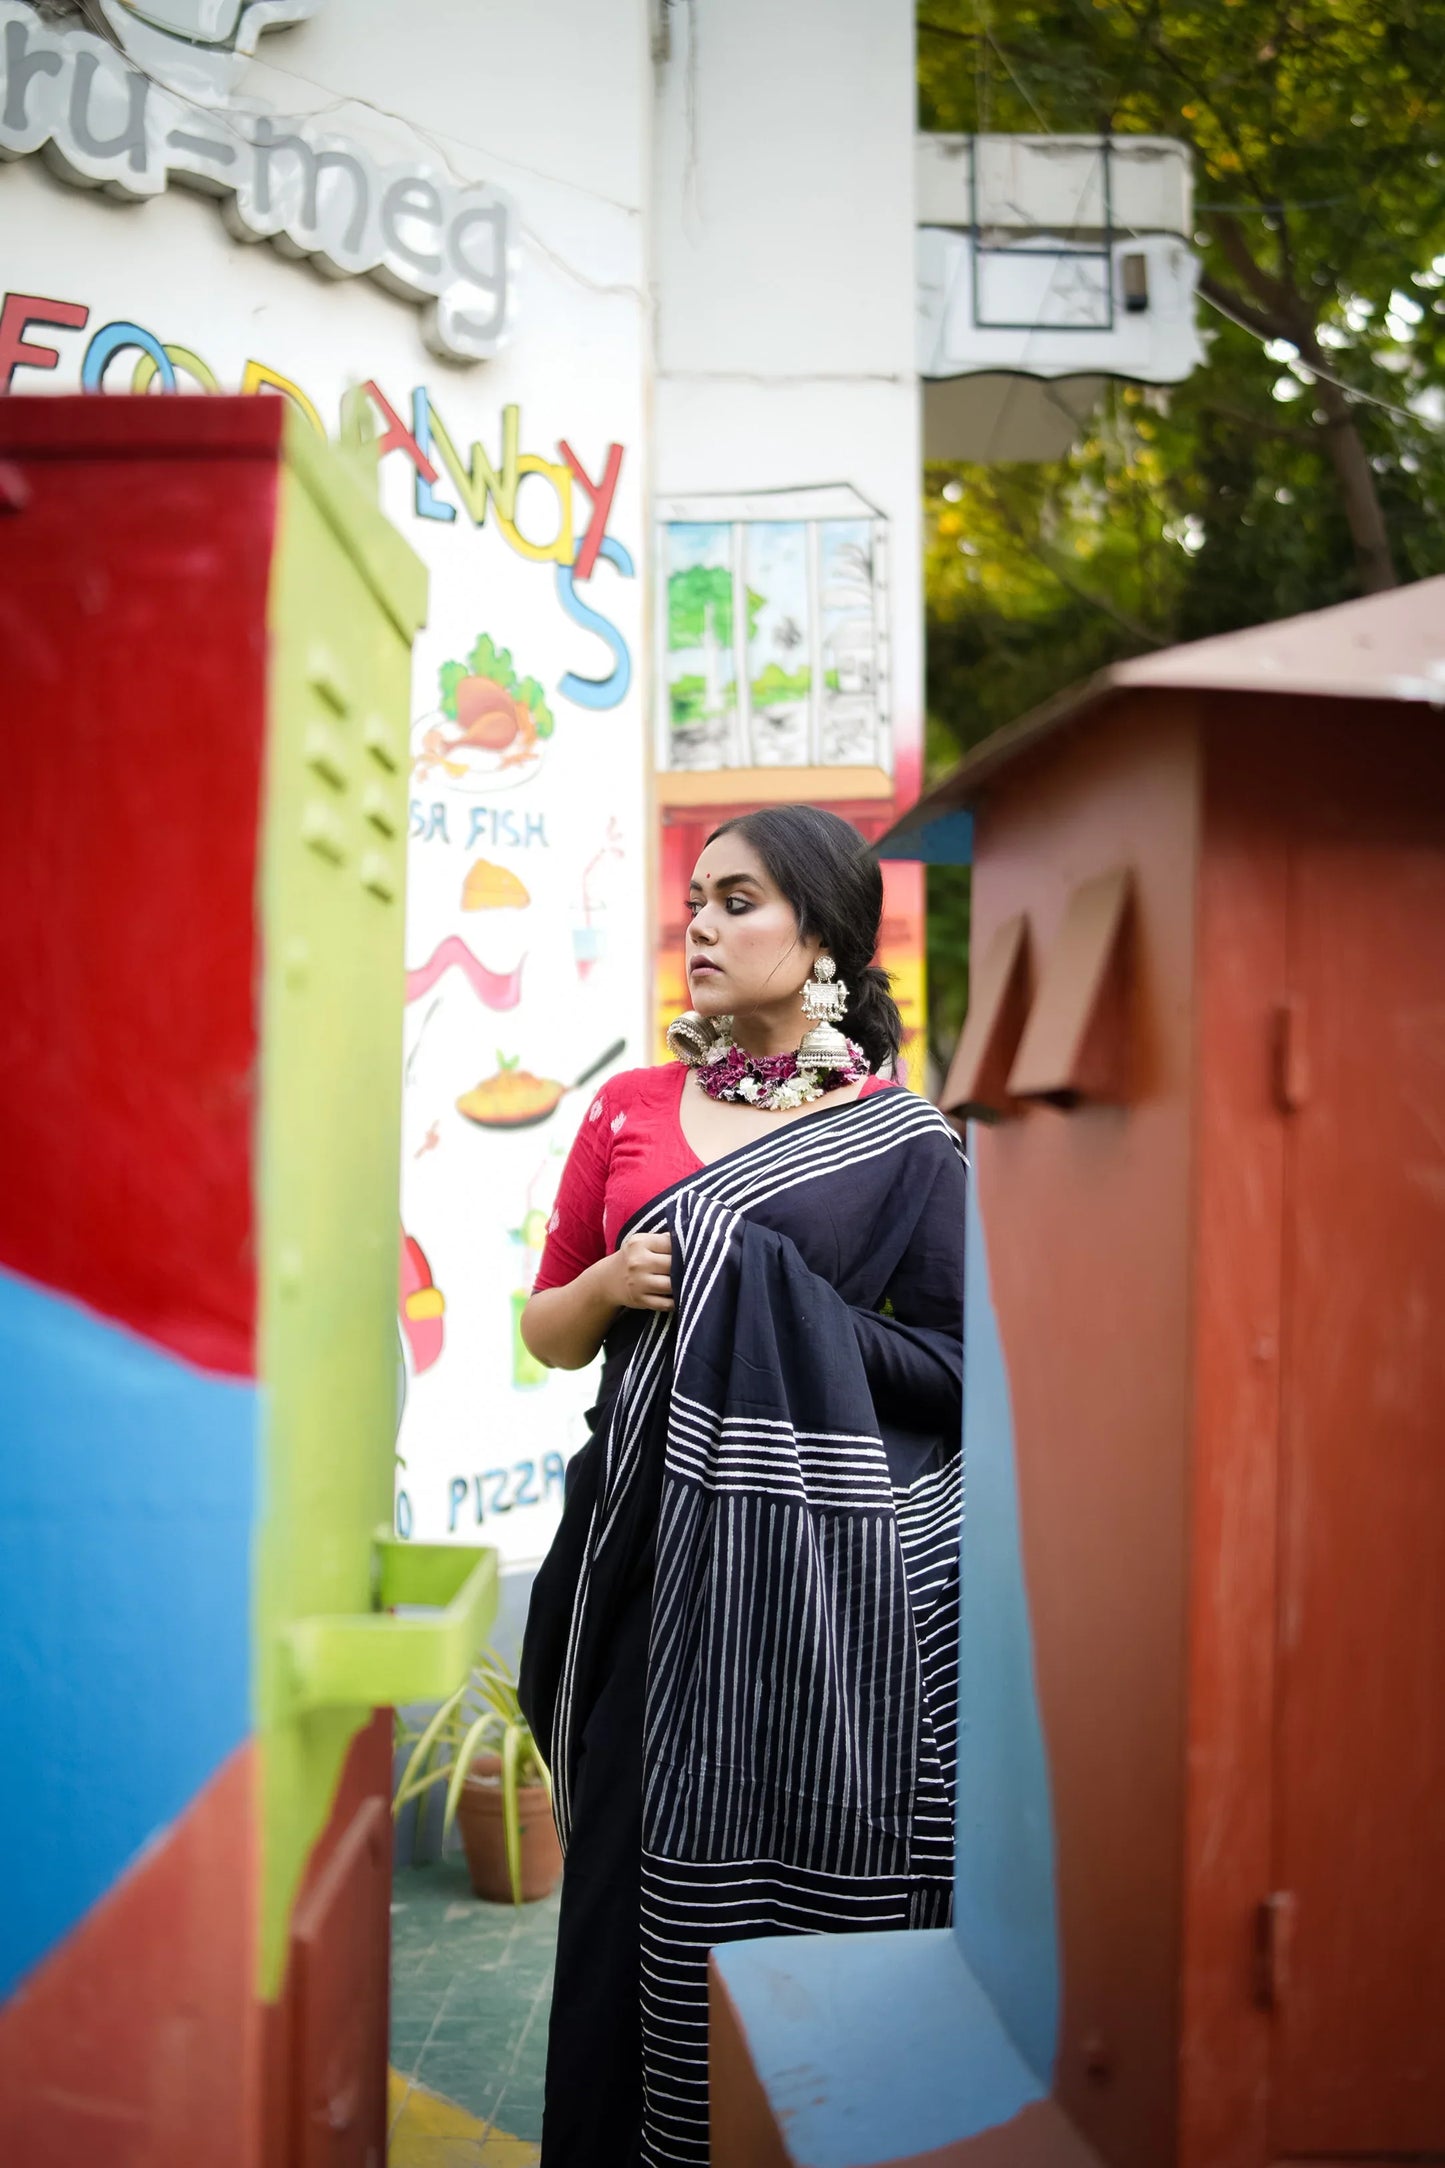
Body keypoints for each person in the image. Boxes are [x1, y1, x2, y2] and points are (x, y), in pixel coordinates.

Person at [518, 805, 966, 2168]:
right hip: (636, 1561)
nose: (699, 927)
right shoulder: (631, 1107)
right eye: (694, 902)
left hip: (805, 1594)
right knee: (613, 1898)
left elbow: (959, 1370)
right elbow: (543, 1329)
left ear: (820, 935)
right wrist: (605, 1286)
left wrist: (767, 1297)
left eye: (738, 901)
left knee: (787, 1907)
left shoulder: (903, 1141)